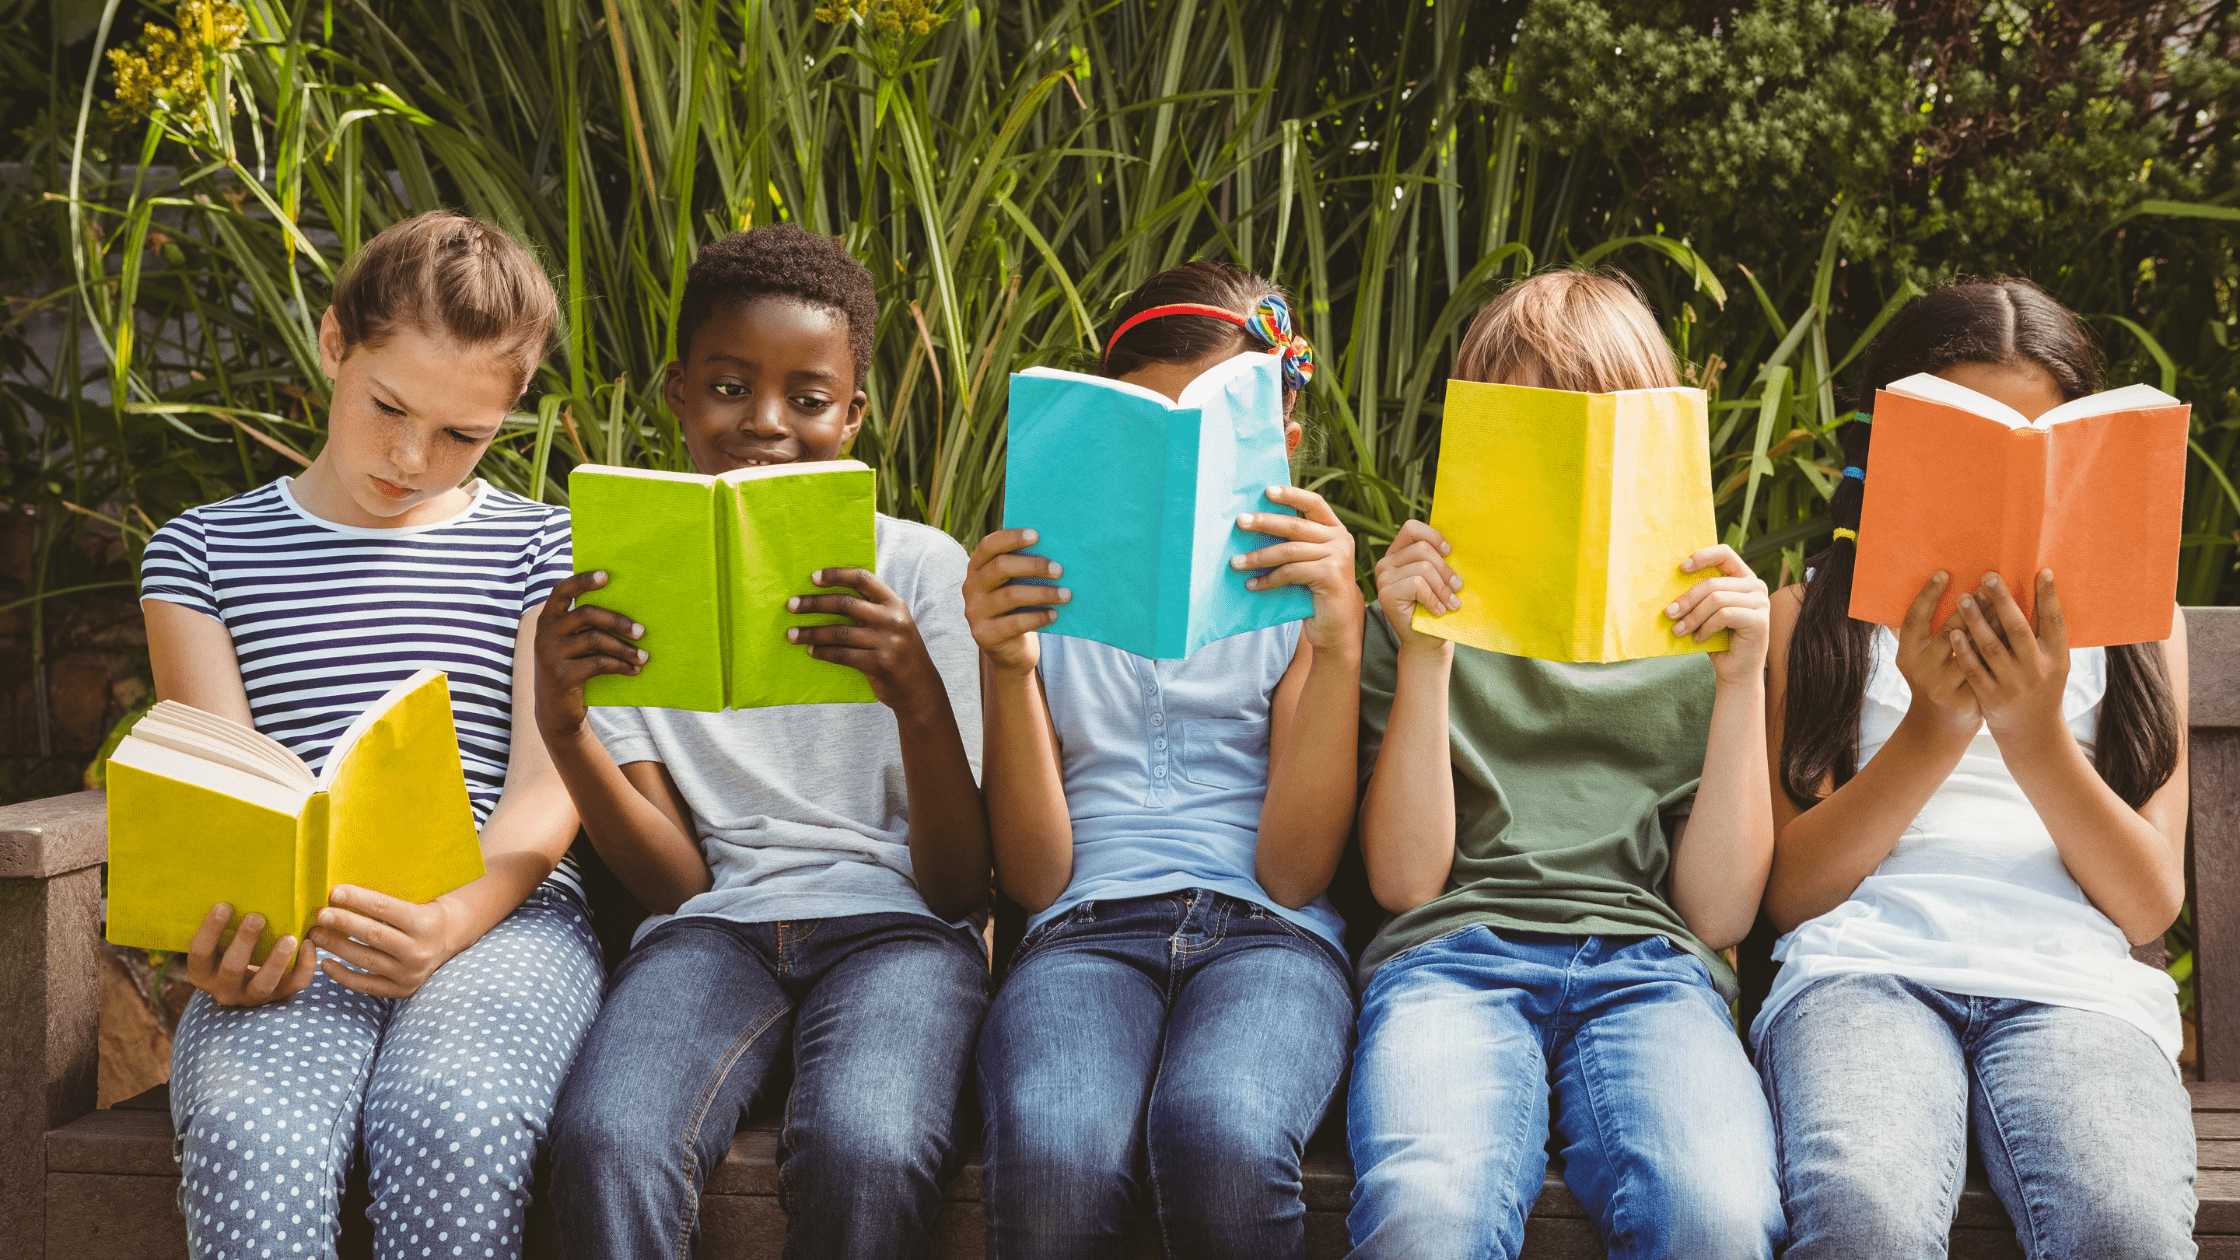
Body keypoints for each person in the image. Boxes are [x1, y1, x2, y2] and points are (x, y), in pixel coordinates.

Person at [148, 210, 599, 1259]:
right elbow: (228, 801)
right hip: (296, 936)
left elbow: (547, 791)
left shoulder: (543, 547)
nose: (409, 459)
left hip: (502, 917)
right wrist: (231, 947)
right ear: (333, 341)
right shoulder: (201, 554)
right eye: (387, 408)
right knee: (249, 1133)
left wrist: (449, 921)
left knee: (454, 1117)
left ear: (508, 417)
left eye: (462, 436)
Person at [542, 224, 990, 1260]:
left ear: (853, 415)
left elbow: (961, 886)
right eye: (730, 388)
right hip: (712, 929)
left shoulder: (918, 570)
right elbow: (671, 882)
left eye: (807, 397)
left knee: (866, 1146)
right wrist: (566, 731)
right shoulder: (626, 582)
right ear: (677, 394)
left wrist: (914, 692)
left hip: (899, 930)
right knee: (607, 1140)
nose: (765, 424)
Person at [1344, 269, 1786, 1259]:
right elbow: (1406, 883)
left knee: (1713, 1219)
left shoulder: (1703, 623)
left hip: (1650, 971)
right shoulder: (1418, 610)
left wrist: (1741, 682)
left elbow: (1716, 916)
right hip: (1449, 960)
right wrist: (1422, 656)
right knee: (1427, 1217)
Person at [1757, 277, 2196, 1258]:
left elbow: (2143, 905)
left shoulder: (2134, 629)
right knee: (1860, 1218)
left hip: (2074, 989)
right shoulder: (1812, 619)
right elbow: (1792, 893)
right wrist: (1934, 726)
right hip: (1862, 973)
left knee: (2122, 1227)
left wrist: (2033, 735)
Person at [964, 261, 1362, 1259]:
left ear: (1281, 444)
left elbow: (1294, 872)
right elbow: (1034, 877)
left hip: (1268, 931)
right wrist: (1006, 667)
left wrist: (1338, 640)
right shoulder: (1039, 596)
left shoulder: (1297, 609)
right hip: (1082, 926)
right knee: (1055, 1151)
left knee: (1220, 1132)